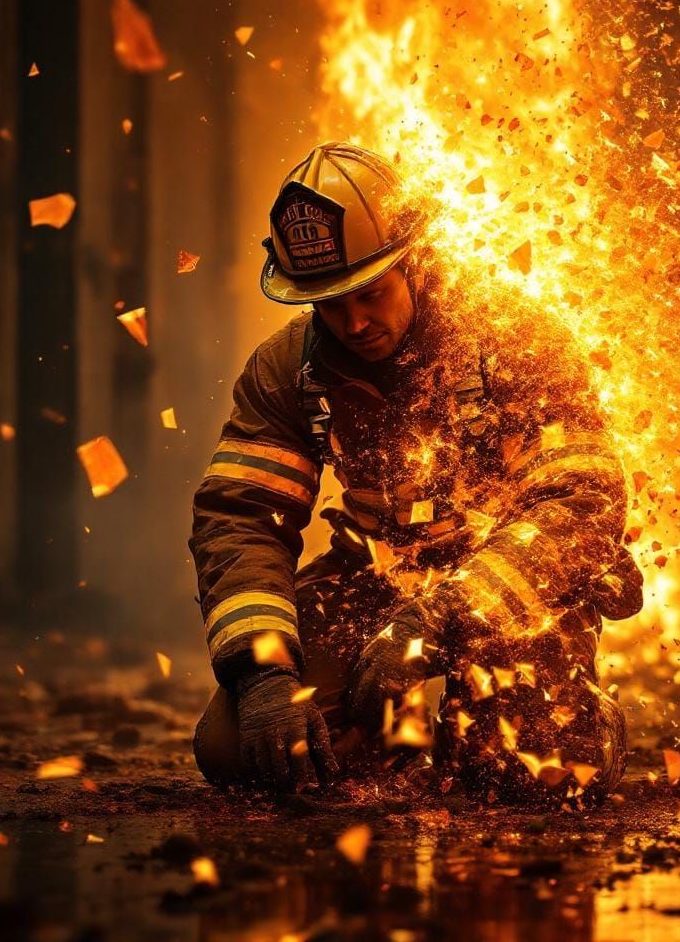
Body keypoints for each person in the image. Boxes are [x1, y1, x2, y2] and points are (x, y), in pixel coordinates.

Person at [190, 142, 643, 806]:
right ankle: (394, 741)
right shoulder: (286, 371)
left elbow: (581, 501)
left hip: (505, 592)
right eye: (329, 304)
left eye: (370, 293)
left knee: (531, 771)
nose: (354, 324)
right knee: (240, 750)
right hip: (374, 579)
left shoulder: (515, 339)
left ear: (416, 262)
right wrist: (262, 676)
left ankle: (579, 724)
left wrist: (441, 618)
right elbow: (241, 519)